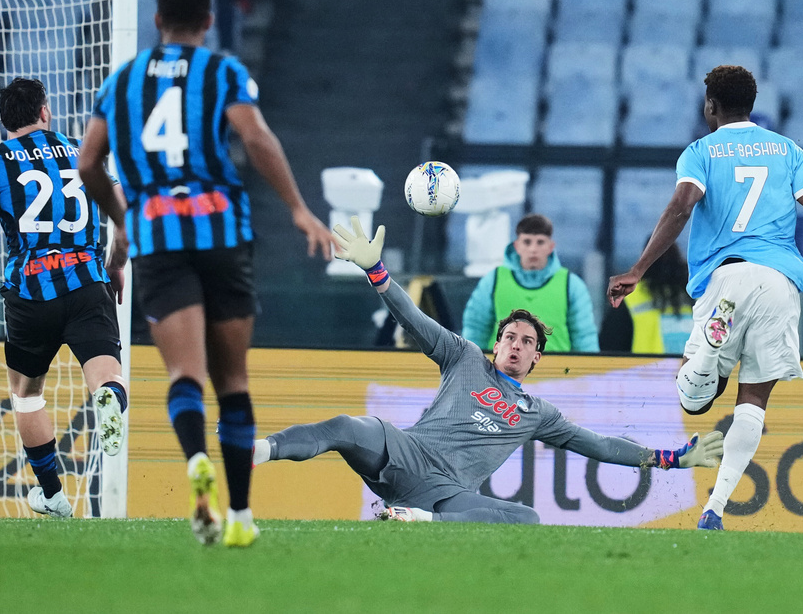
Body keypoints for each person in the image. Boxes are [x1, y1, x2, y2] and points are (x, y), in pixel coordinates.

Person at [77, 0, 335, 547]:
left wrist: (125, 221)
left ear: (156, 20)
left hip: (159, 237)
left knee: (184, 375)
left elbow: (88, 162)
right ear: (210, 21)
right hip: (222, 231)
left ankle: (196, 460)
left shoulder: (120, 83)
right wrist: (297, 208)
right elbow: (257, 137)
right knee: (233, 379)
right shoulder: (222, 72)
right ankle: (241, 516)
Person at [251, 216, 724, 524]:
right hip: (404, 451)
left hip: (447, 492)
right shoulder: (462, 356)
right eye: (511, 339)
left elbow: (598, 444)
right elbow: (413, 320)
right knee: (345, 426)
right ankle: (257, 450)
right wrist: (377, 272)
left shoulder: (537, 412)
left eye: (528, 343)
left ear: (537, 358)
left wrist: (671, 459)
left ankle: (416, 519)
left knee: (527, 520)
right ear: (496, 344)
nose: (517, 347)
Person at [607, 65, 803, 531]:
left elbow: (680, 207)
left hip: (725, 278)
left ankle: (710, 347)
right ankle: (716, 509)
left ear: (711, 105)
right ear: (751, 104)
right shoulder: (789, 151)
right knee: (753, 400)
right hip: (780, 282)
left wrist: (638, 269)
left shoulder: (701, 151)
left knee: (694, 404)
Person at [0, 77, 129, 519]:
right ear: (45, 111)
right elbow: (124, 218)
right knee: (106, 375)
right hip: (87, 281)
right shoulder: (86, 151)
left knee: (27, 395)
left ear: (5, 121)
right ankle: (108, 399)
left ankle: (52, 495)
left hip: (29, 291)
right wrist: (115, 265)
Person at [462, 213, 599, 354]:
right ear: (517, 246)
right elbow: (475, 330)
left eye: (540, 242)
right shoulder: (493, 280)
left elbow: (584, 337)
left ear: (551, 247)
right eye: (527, 242)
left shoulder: (571, 284)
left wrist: (593, 373)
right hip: (501, 371)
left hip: (557, 371)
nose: (533, 249)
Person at [600, 241, 693, 354]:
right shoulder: (696, 296)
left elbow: (609, 350)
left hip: (645, 370)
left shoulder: (630, 298)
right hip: (694, 370)